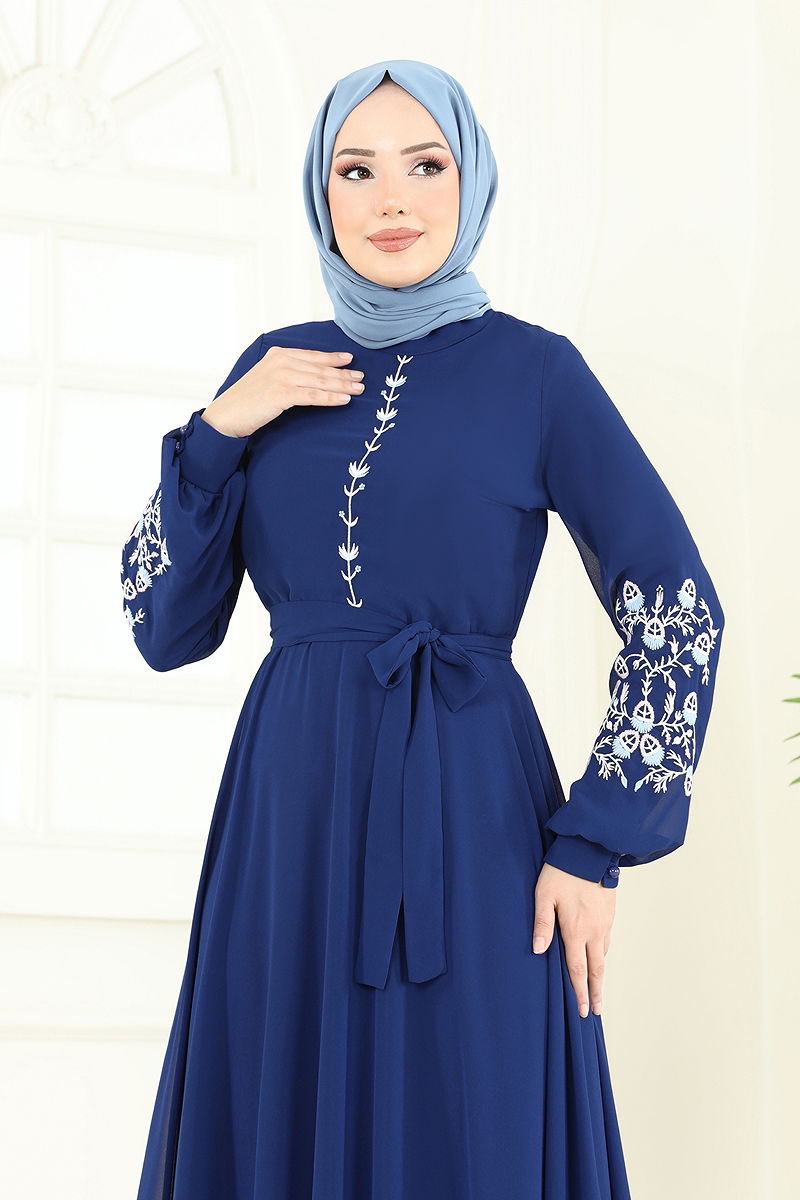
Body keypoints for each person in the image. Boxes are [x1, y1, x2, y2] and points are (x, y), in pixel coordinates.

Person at [123, 58, 725, 1200]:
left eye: (424, 165)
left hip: (469, 817)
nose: (391, 199)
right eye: (356, 171)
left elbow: (675, 602)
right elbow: (163, 625)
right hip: (288, 824)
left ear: (470, 181)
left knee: (468, 1116)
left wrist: (595, 841)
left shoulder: (536, 373)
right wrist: (215, 431)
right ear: (321, 193)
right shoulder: (272, 371)